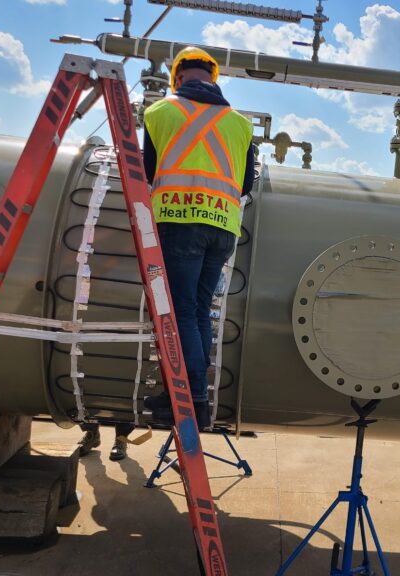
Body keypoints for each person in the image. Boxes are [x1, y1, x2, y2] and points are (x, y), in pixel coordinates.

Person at [141, 47, 254, 430]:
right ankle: (197, 396)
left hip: (179, 218)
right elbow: (247, 183)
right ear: (213, 79)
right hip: (223, 227)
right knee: (199, 310)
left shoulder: (159, 113)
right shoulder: (240, 123)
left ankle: (185, 398)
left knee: (182, 311)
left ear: (177, 78)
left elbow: (146, 171)